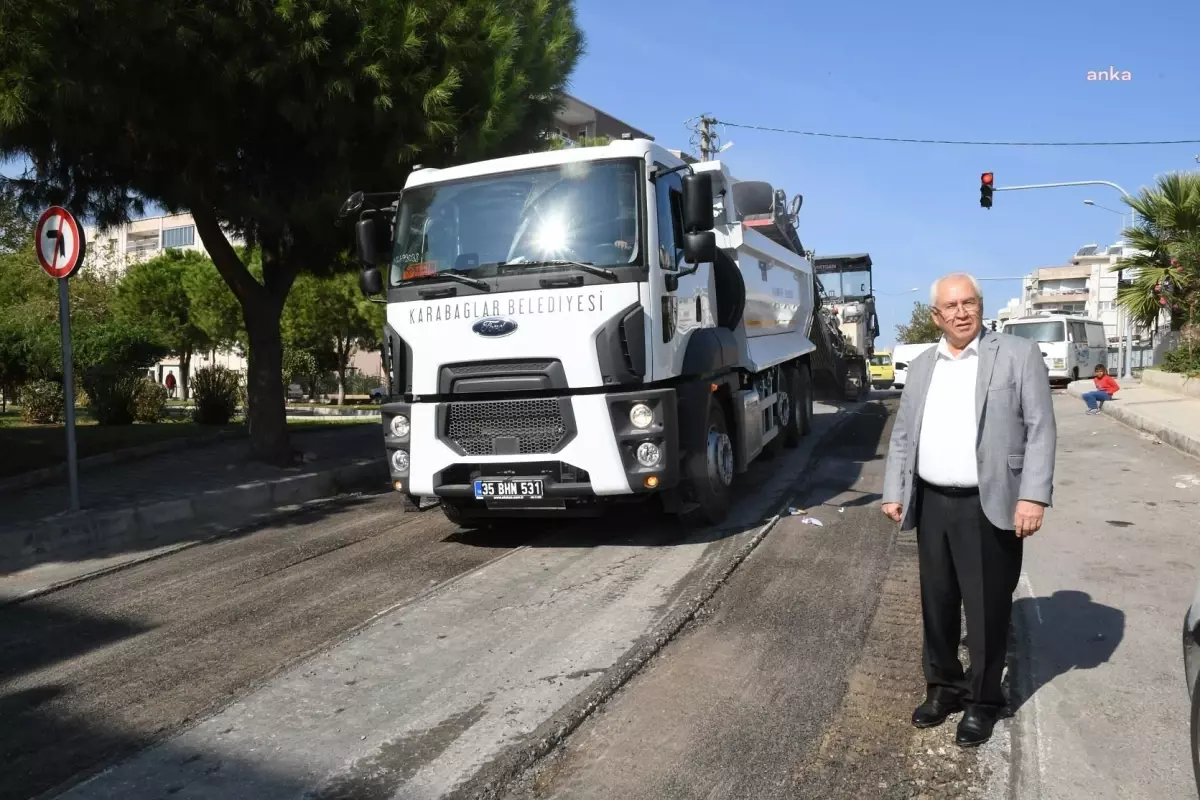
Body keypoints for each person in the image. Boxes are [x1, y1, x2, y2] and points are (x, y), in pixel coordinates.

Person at [881, 273, 1056, 748]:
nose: (961, 312)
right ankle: (942, 688)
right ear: (936, 316)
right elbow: (903, 437)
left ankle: (982, 701)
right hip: (933, 500)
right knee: (936, 604)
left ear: (981, 306)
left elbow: (1040, 428)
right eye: (951, 306)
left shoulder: (1016, 355)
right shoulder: (921, 366)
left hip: (990, 503)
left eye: (969, 302)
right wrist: (894, 490)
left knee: (985, 610)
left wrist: (1033, 495)